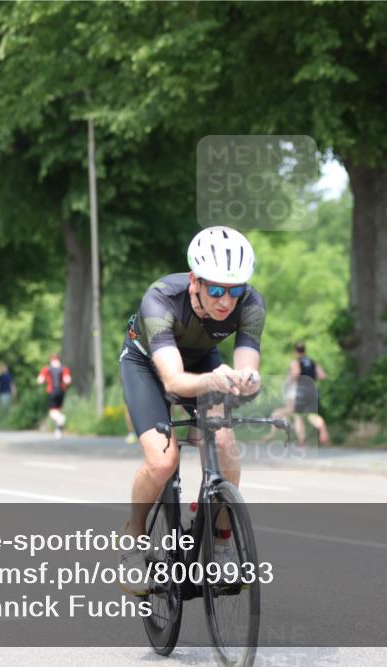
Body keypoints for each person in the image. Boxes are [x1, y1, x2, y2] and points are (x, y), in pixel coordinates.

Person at [118, 226, 263, 595]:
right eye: (216, 289)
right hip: (148, 366)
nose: (226, 301)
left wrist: (248, 380)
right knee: (162, 461)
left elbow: (247, 364)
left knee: (226, 444)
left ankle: (222, 540)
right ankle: (133, 540)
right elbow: (173, 381)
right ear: (195, 281)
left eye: (235, 290)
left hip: (200, 363)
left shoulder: (251, 304)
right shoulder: (162, 299)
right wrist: (216, 380)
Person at [283, 342, 330, 446]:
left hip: (301, 391)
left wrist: (287, 383)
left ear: (296, 351)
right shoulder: (313, 362)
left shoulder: (296, 362)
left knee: (298, 416)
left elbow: (296, 372)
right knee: (312, 415)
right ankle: (321, 426)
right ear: (305, 350)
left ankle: (301, 441)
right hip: (313, 390)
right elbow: (322, 375)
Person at [37, 354, 72, 438]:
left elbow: (39, 380)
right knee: (58, 410)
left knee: (52, 412)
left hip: (51, 391)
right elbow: (67, 380)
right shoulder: (64, 368)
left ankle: (61, 419)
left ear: (51, 360)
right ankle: (58, 431)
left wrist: (44, 380)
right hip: (61, 392)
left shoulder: (47, 369)